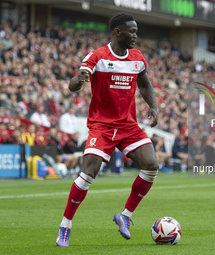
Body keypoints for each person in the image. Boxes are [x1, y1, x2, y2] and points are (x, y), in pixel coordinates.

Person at [56, 13, 159, 247]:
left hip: (128, 125)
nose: (135, 35)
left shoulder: (137, 58)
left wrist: (152, 106)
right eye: (131, 31)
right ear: (117, 32)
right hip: (102, 125)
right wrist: (79, 79)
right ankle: (65, 226)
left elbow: (144, 83)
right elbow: (73, 85)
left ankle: (125, 215)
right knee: (89, 172)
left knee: (152, 165)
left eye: (136, 31)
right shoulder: (98, 56)